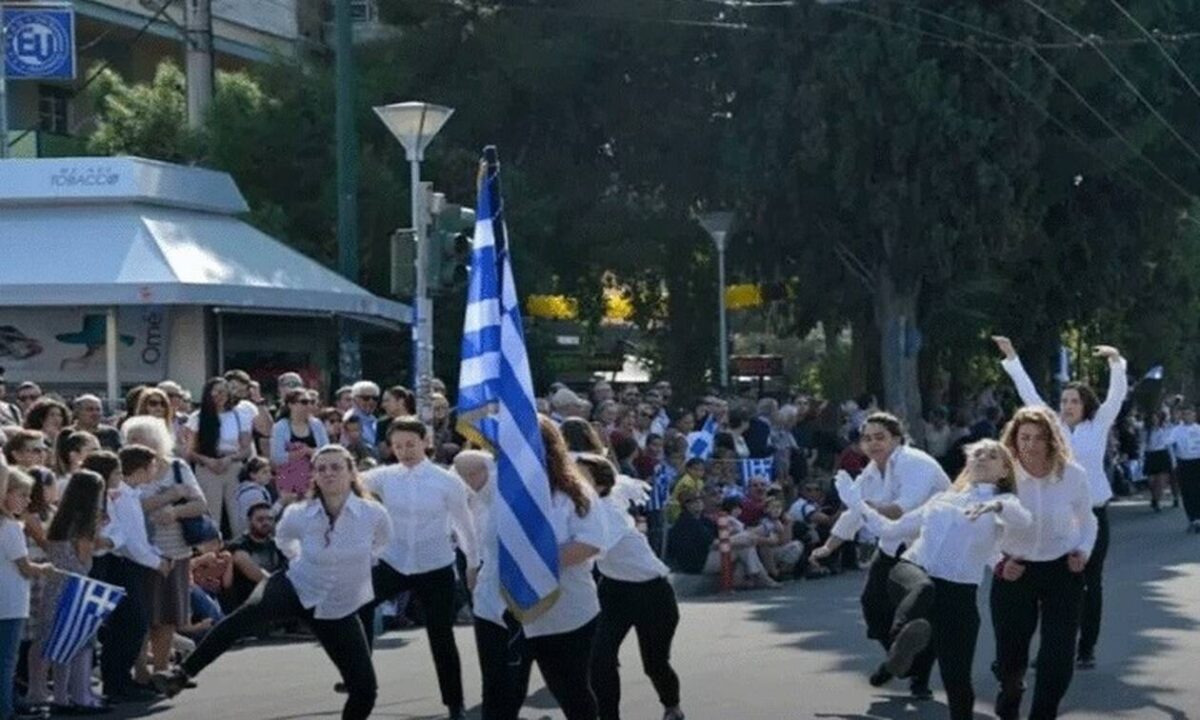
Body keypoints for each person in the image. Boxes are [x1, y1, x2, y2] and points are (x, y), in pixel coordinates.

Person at [153, 445, 391, 720]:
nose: (328, 473)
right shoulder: (299, 513)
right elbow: (284, 540)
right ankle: (181, 675)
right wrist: (302, 561)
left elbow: (381, 545)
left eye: (336, 467)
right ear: (313, 475)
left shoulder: (373, 514)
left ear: (351, 472)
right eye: (321, 468)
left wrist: (352, 567)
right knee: (245, 616)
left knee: (365, 690)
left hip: (338, 604)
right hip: (296, 585)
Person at [836, 439, 1032, 720]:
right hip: (911, 573)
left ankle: (895, 663)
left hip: (959, 596)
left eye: (991, 456)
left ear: (1004, 470)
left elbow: (1021, 520)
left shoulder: (1006, 504)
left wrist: (995, 508)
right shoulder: (942, 499)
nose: (981, 458)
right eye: (977, 454)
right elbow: (890, 530)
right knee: (924, 589)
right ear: (967, 463)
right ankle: (901, 640)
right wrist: (855, 503)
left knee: (957, 681)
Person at [994, 337, 1125, 669]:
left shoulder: (1098, 425)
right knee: (1055, 583)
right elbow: (1029, 394)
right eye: (1064, 400)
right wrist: (1011, 357)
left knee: (1090, 582)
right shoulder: (1051, 426)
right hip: (1059, 516)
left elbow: (1117, 395)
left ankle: (1086, 647)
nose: (1067, 406)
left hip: (1093, 513)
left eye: (1074, 401)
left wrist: (1115, 362)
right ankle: (1051, 648)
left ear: (1086, 405)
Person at [473, 416, 608, 720]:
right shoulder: (496, 482)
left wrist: (532, 563)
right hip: (499, 610)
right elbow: (464, 462)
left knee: (573, 692)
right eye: (511, 444)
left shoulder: (576, 491)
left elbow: (590, 543)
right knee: (500, 697)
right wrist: (501, 430)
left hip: (563, 613)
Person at [810, 412, 950, 698]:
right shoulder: (872, 471)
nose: (873, 444)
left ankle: (918, 680)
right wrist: (828, 547)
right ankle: (900, 659)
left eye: (880, 437)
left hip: (930, 549)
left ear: (897, 439)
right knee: (872, 604)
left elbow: (901, 508)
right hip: (892, 544)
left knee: (918, 613)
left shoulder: (916, 463)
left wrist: (861, 504)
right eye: (867, 438)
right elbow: (853, 513)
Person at [356, 418, 479, 720]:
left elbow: (465, 526)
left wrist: (473, 564)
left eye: (410, 444)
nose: (404, 451)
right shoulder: (385, 476)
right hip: (394, 561)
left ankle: (454, 703)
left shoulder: (446, 480)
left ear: (425, 442)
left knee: (441, 635)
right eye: (398, 446)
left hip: (435, 565)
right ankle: (357, 676)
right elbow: (349, 479)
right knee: (358, 604)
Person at [990, 406, 1097, 720]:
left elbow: (1089, 522)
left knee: (1058, 656)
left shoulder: (1072, 475)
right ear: (1013, 439)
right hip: (1014, 571)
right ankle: (1010, 698)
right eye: (1024, 437)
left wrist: (1083, 551)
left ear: (1052, 440)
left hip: (1061, 571)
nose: (1031, 445)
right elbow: (983, 528)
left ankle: (1043, 713)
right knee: (1010, 657)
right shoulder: (1001, 476)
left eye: (1039, 438)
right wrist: (999, 563)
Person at [576, 453, 684, 720]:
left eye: (581, 476)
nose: (573, 480)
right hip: (614, 591)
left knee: (655, 664)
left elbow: (591, 550)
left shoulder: (610, 513)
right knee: (599, 659)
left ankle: (672, 706)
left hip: (652, 593)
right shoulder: (583, 509)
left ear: (600, 485)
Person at [124, 416, 209, 683]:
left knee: (169, 614)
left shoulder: (177, 466)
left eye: (141, 439)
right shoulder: (124, 471)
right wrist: (168, 496)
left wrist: (176, 511)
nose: (135, 444)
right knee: (143, 617)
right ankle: (140, 672)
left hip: (176, 550)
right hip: (140, 553)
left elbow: (200, 504)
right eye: (132, 439)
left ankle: (161, 670)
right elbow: (128, 508)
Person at [88, 448, 171, 703]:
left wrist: (155, 555)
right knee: (130, 624)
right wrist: (156, 561)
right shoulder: (121, 497)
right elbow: (129, 542)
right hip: (120, 565)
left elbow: (130, 536)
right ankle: (117, 682)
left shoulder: (128, 495)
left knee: (131, 624)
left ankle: (122, 680)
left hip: (126, 562)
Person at [38, 470, 110, 713]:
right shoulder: (85, 522)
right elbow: (84, 560)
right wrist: (102, 538)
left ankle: (61, 698)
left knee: (62, 645)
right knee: (82, 644)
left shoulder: (60, 518)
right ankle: (81, 696)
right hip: (77, 588)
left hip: (55, 586)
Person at [2, 468, 56, 720]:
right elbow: (25, 567)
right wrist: (46, 569)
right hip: (11, 603)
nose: (27, 500)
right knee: (7, 661)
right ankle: (6, 710)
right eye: (21, 494)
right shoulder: (10, 527)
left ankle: (11, 701)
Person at [188, 377, 254, 538]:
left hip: (232, 465)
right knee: (211, 516)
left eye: (224, 391)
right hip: (207, 467)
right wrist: (207, 461)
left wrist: (230, 459)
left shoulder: (239, 415)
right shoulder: (197, 417)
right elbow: (190, 451)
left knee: (237, 515)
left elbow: (246, 449)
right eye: (216, 391)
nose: (220, 395)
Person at [225, 503, 288, 610]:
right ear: (249, 521)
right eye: (260, 519)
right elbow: (257, 574)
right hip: (247, 606)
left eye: (270, 519)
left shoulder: (277, 545)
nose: (266, 523)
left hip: (273, 602)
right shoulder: (238, 546)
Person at [1169, 406, 1200, 532]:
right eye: (1186, 414)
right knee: (1187, 491)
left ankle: (1198, 518)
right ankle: (1193, 518)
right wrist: (1174, 462)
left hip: (1198, 461)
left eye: (1191, 414)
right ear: (1183, 416)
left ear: (1194, 416)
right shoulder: (1177, 430)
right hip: (1184, 463)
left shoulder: (1198, 429)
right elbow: (1169, 444)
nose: (1189, 416)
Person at [1143, 410, 1174, 513]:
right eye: (1152, 418)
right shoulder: (1146, 431)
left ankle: (1158, 501)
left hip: (1162, 454)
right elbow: (1142, 445)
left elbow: (1169, 444)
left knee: (1160, 481)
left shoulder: (1165, 429)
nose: (1154, 420)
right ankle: (1154, 497)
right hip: (1150, 455)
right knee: (1151, 481)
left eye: (1156, 418)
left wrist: (1173, 460)